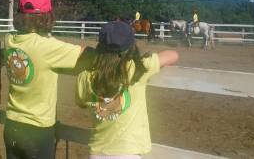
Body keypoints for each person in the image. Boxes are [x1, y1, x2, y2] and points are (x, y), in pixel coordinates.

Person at [3, 0, 92, 159]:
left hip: (12, 124)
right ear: (46, 17)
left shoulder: (9, 41)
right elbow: (86, 54)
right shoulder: (48, 46)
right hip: (38, 129)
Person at [75, 21, 179, 158]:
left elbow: (81, 102)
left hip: (97, 151)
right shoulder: (138, 68)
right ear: (131, 47)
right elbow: (173, 55)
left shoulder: (86, 75)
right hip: (128, 151)